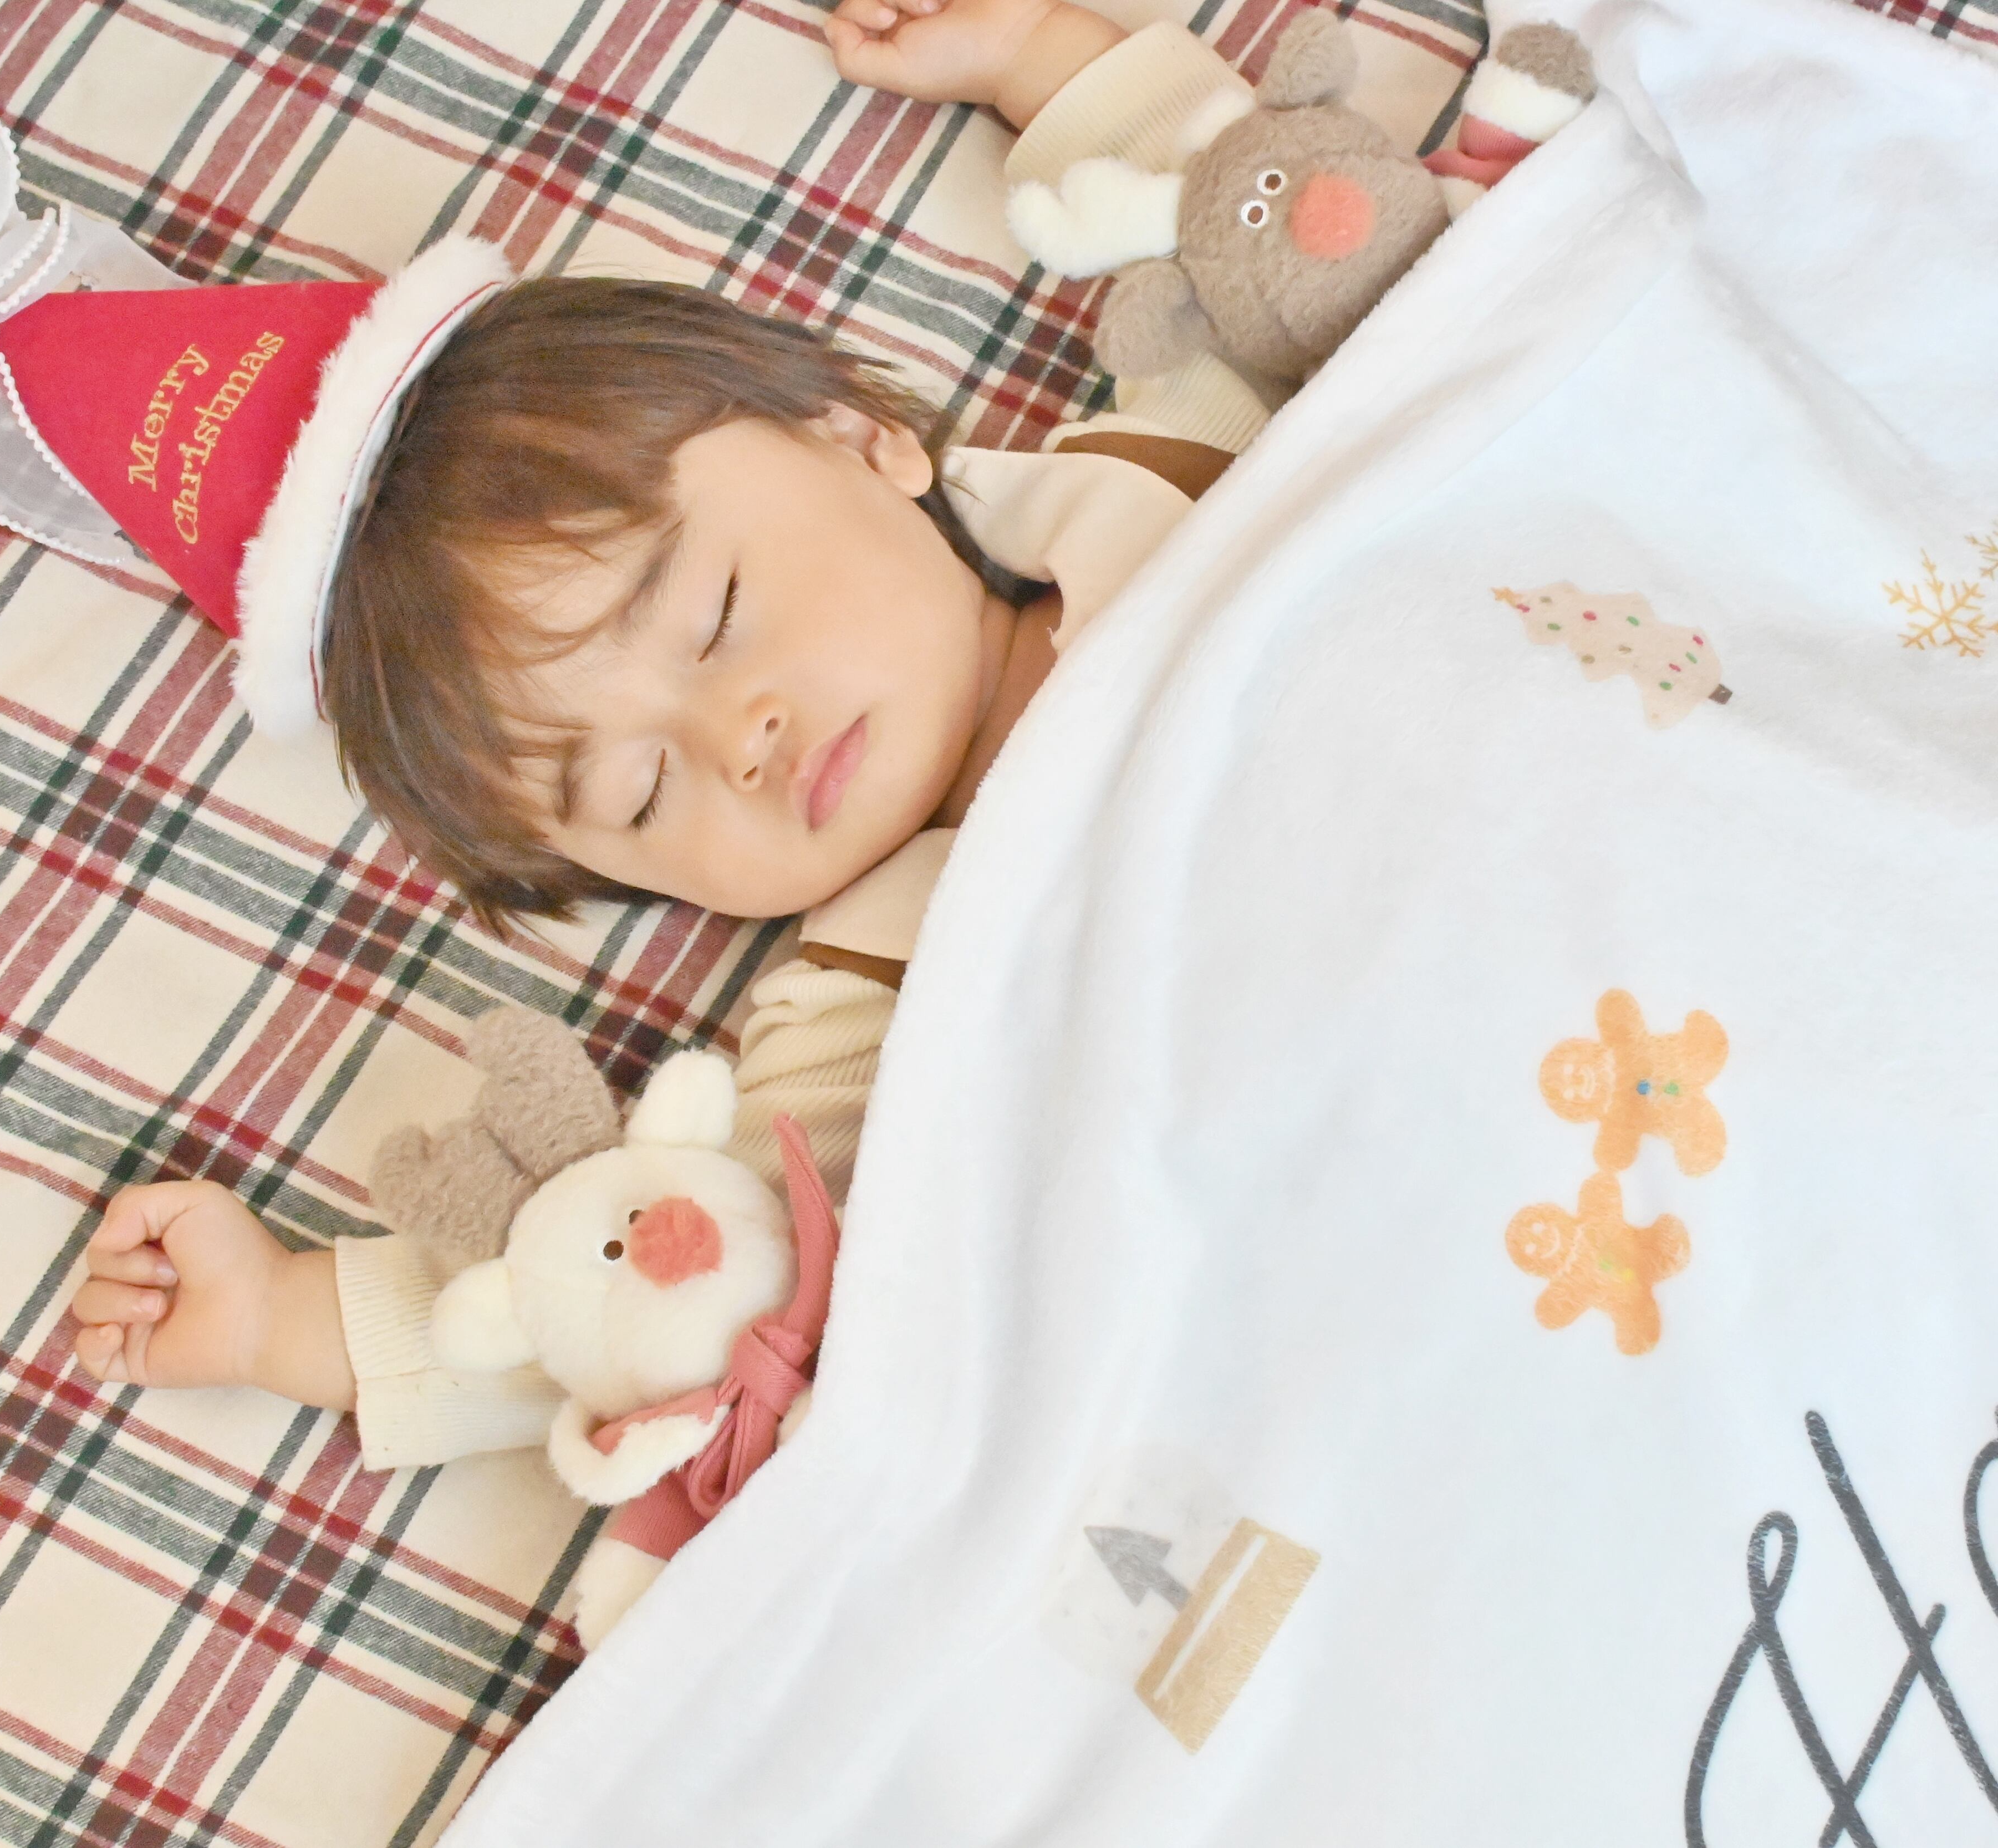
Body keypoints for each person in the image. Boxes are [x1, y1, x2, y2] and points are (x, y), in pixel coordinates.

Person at [61, 0, 1272, 1466]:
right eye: (640, 794)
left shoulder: (1177, 473)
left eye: (716, 616)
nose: (735, 740)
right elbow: (659, 1289)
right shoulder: (864, 1005)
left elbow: (1266, 239)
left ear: (862, 436)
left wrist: (1037, 57)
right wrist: (289, 1321)